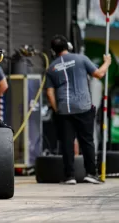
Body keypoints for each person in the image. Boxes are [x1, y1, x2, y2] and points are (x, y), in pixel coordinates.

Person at [45, 34, 111, 185]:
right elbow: (99, 74)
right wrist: (107, 62)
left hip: (64, 109)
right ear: (68, 46)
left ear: (53, 51)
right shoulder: (81, 59)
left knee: (67, 142)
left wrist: (57, 110)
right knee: (87, 140)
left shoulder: (51, 68)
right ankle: (91, 173)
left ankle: (69, 176)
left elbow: (49, 93)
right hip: (83, 107)